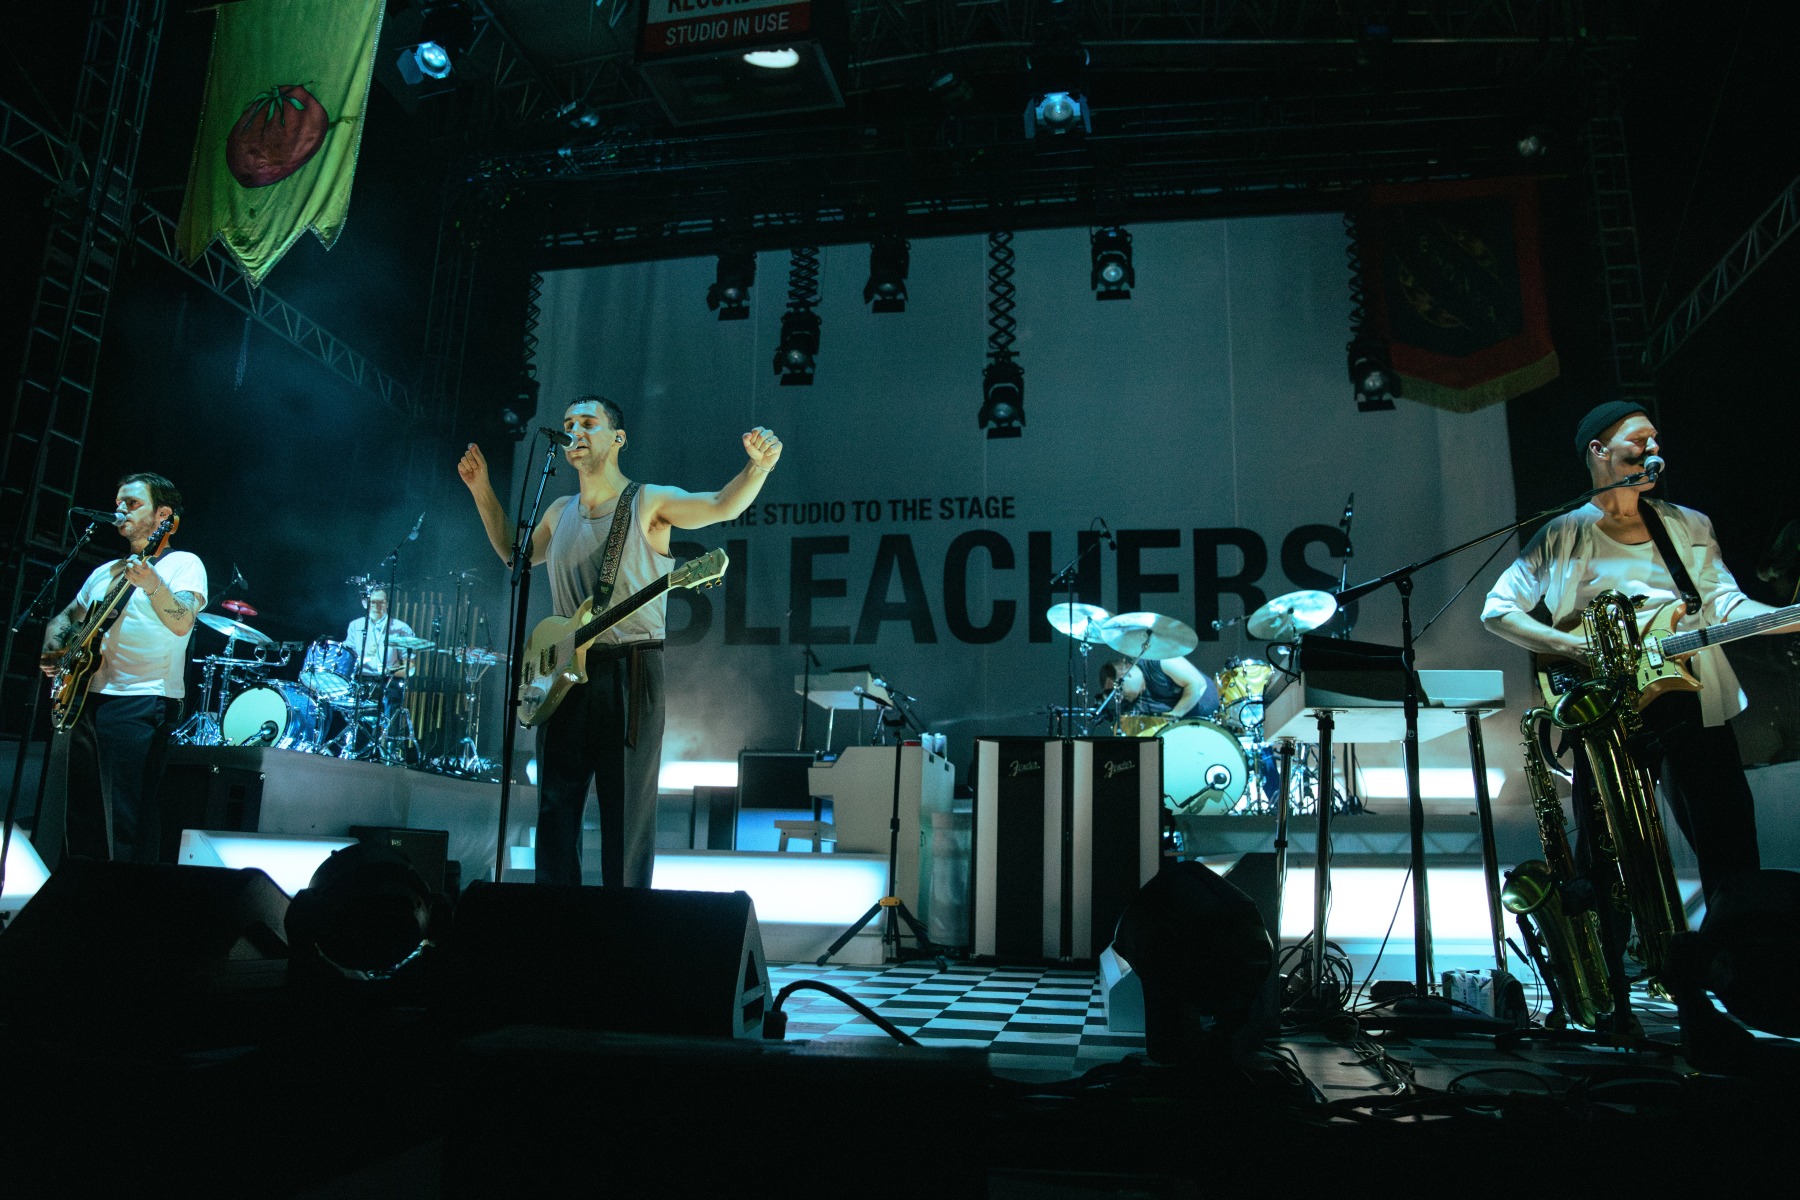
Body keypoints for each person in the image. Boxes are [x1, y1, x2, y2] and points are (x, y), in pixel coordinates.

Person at [1482, 400, 1800, 974]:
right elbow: (1498, 610)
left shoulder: (1687, 524)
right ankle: (1608, 980)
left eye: (1656, 440)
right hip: (1606, 705)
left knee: (1725, 830)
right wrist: (1576, 647)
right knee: (1605, 844)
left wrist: (1785, 617)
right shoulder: (1565, 532)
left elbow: (1723, 604)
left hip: (1687, 694)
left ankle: (1739, 968)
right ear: (1598, 452)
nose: (1653, 450)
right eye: (1638, 442)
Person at [458, 395, 782, 887]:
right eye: (569, 422)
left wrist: (758, 468)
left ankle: (624, 924)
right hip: (561, 677)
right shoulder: (559, 511)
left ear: (618, 438)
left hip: (629, 672)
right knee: (555, 812)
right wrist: (482, 489)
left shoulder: (648, 501)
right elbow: (515, 554)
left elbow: (721, 505)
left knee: (626, 817)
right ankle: (556, 923)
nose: (575, 430)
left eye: (588, 422)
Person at [40, 473, 207, 864]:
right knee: (81, 816)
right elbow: (65, 617)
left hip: (141, 699)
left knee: (126, 819)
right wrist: (55, 646)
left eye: (132, 504)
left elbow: (182, 621)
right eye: (118, 504)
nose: (120, 511)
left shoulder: (183, 564)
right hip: (85, 697)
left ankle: (128, 897)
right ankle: (82, 891)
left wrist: (153, 585)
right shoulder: (105, 571)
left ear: (163, 515)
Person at [1099, 656, 1221, 722]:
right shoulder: (1130, 707)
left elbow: (1197, 684)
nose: (1121, 699)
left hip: (1206, 718)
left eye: (1120, 691)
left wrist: (1174, 716)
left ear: (1126, 672)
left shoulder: (1157, 661)